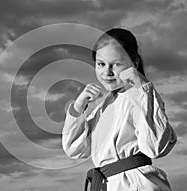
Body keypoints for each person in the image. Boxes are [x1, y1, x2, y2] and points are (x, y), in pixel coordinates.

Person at [62, 28, 177, 191]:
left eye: (115, 64)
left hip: (134, 184)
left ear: (134, 63)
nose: (107, 72)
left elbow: (155, 147)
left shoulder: (140, 97)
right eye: (101, 64)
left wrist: (143, 89)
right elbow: (76, 150)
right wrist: (78, 108)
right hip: (108, 184)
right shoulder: (102, 106)